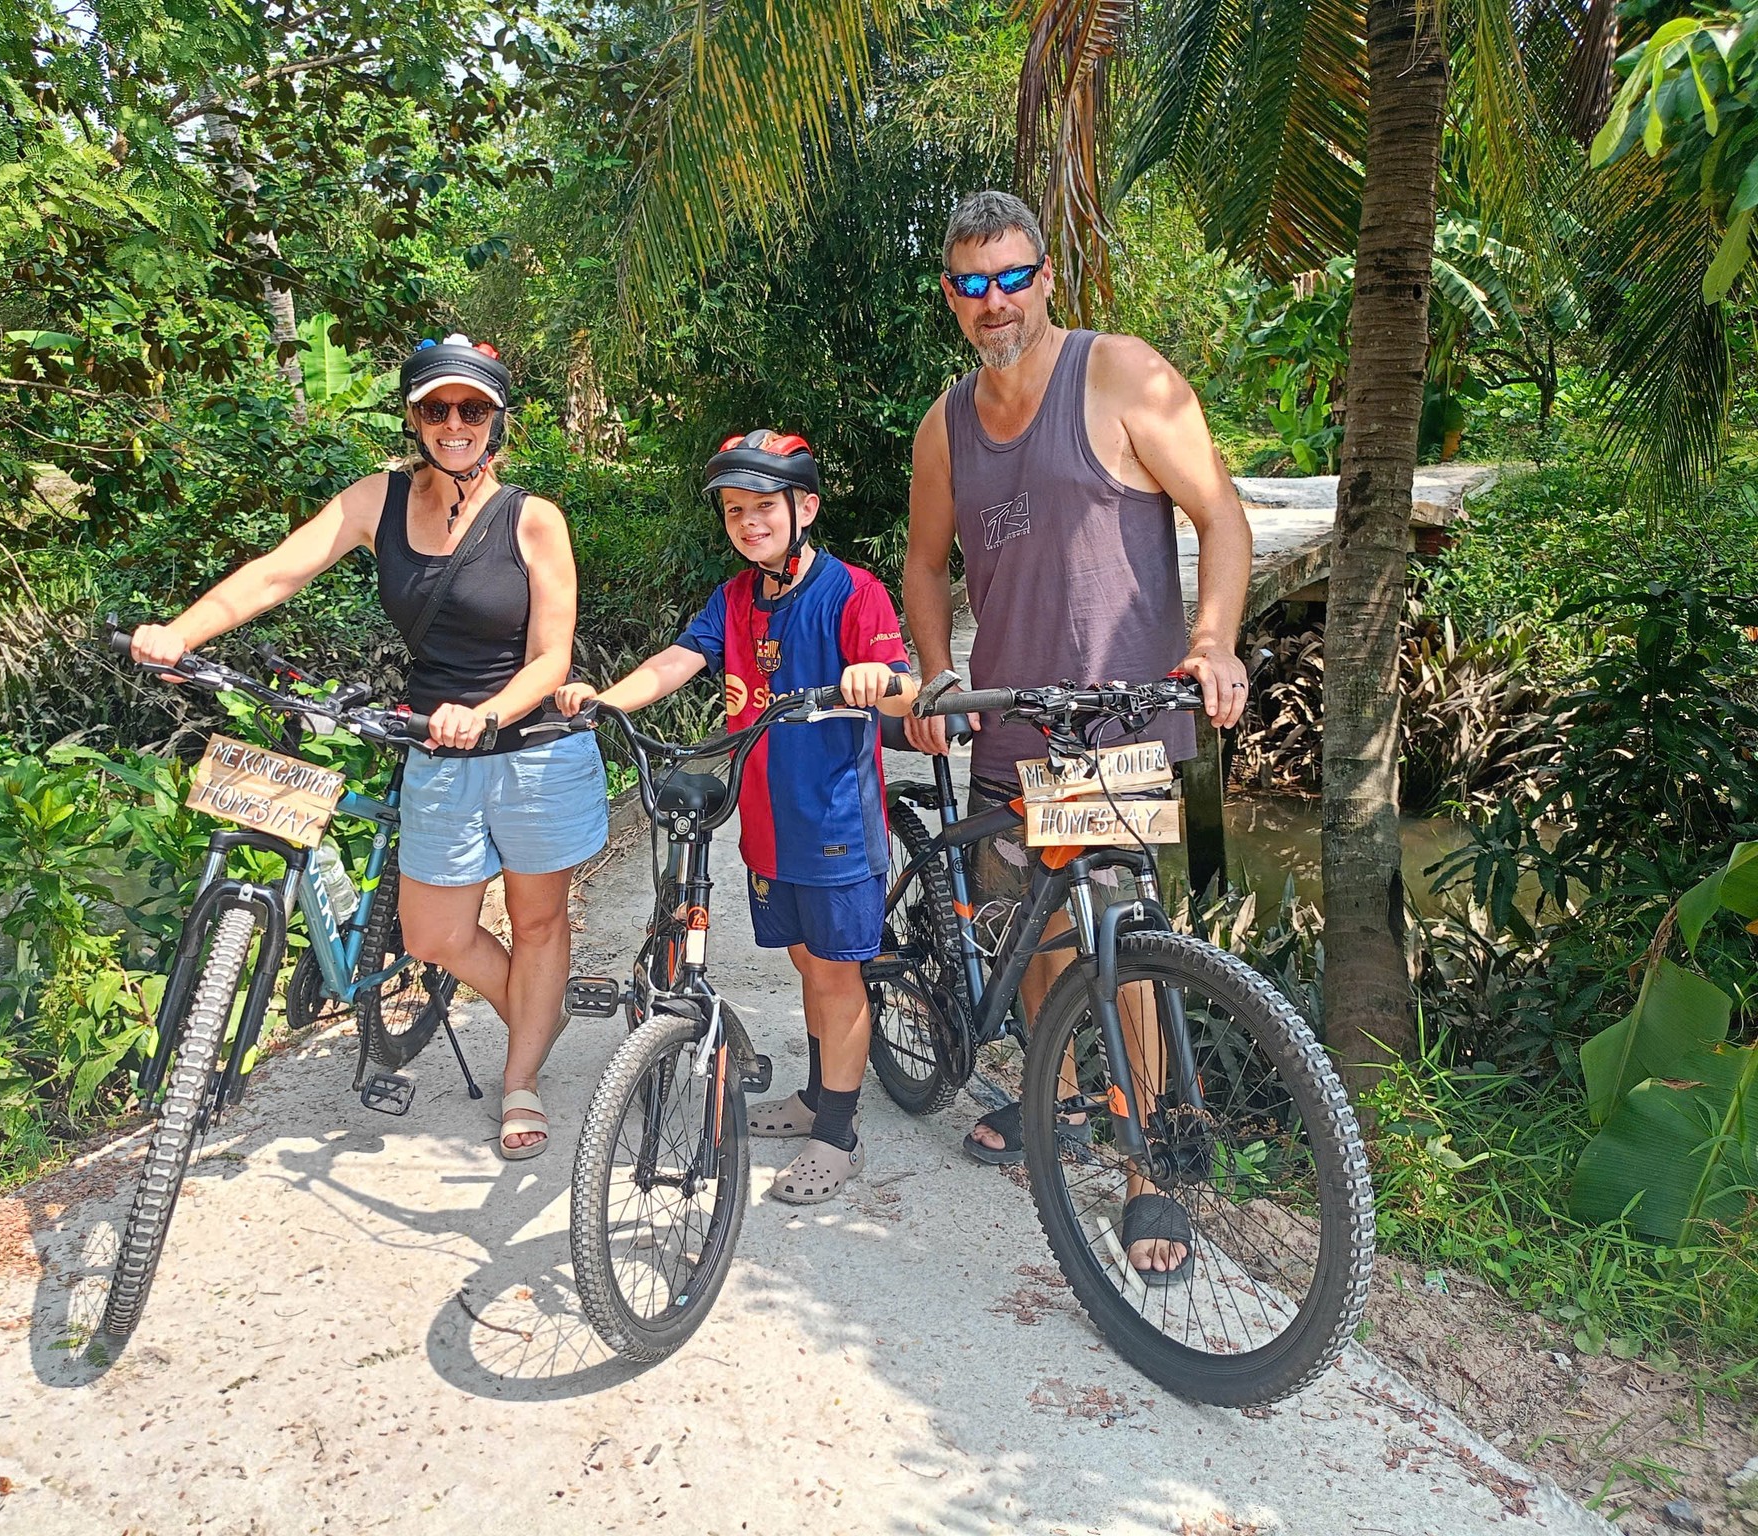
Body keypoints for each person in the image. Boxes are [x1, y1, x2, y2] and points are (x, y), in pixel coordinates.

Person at [127, 334, 607, 1161]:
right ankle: (541, 1006)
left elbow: (551, 658)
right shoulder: (374, 501)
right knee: (432, 936)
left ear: (496, 420)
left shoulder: (533, 518)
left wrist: (489, 714)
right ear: (415, 416)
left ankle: (521, 1074)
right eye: (435, 407)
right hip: (434, 746)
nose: (453, 423)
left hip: (530, 748)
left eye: (472, 408)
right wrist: (181, 632)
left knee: (537, 921)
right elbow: (277, 572)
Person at [900, 191, 1253, 1278]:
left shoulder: (1117, 373)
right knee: (1038, 930)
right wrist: (929, 674)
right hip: (1006, 720)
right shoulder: (944, 424)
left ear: (1046, 277)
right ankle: (1050, 1095)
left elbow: (1220, 516)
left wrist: (1212, 642)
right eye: (971, 284)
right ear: (950, 296)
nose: (993, 301)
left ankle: (1149, 1172)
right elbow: (923, 564)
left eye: (1011, 277)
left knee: (1121, 945)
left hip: (1107, 721)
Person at [556, 431, 917, 1205]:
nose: (748, 523)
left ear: (806, 507)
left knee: (835, 975)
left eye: (763, 508)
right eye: (734, 511)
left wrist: (874, 678)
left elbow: (904, 689)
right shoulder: (735, 598)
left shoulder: (854, 593)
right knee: (804, 965)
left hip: (833, 825)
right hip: (764, 825)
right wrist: (605, 700)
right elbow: (680, 659)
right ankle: (822, 1095)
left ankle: (839, 1134)